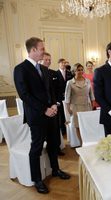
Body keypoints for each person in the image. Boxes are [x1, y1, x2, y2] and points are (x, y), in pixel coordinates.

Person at [13, 37, 70, 194]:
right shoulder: (20, 69)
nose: (44, 51)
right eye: (42, 49)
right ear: (33, 50)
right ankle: (37, 179)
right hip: (37, 116)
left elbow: (50, 91)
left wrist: (53, 105)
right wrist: (44, 109)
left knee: (53, 145)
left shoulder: (44, 69)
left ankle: (56, 170)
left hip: (51, 114)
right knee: (36, 148)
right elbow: (25, 95)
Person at [41, 52, 65, 156]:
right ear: (40, 60)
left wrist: (57, 103)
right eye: (46, 59)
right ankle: (48, 150)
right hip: (43, 108)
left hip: (55, 105)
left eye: (49, 60)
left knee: (56, 129)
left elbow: (58, 89)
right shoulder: (36, 73)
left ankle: (57, 148)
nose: (48, 61)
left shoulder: (53, 73)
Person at [65, 63, 95, 145]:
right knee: (78, 127)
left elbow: (91, 95)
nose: (81, 71)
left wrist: (92, 105)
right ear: (74, 71)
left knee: (87, 126)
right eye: (78, 70)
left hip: (87, 106)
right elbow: (67, 98)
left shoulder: (87, 81)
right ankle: (82, 144)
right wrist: (68, 109)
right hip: (75, 108)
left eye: (82, 70)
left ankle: (88, 142)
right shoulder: (70, 83)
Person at [56, 58, 68, 136]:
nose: (63, 64)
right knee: (61, 114)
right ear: (59, 64)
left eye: (64, 63)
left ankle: (69, 129)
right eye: (62, 63)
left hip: (68, 96)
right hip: (59, 97)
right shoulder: (55, 73)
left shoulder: (69, 73)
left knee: (68, 113)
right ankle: (63, 130)